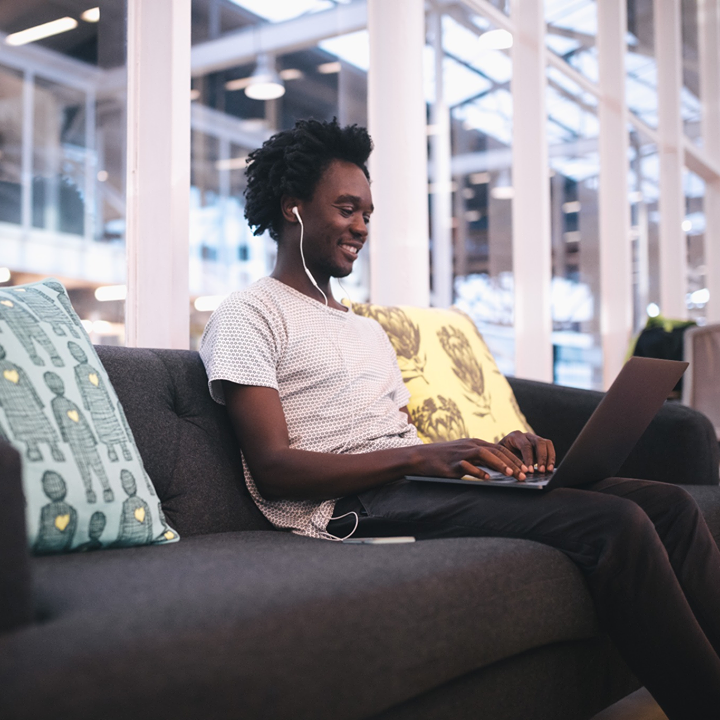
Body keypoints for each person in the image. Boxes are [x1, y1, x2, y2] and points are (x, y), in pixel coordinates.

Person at [199, 119, 720, 718]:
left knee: (671, 506)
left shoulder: (365, 329)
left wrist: (491, 450)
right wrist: (423, 456)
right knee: (617, 523)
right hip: (346, 509)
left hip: (405, 485)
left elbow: (394, 437)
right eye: (347, 209)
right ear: (292, 209)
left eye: (367, 213)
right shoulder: (248, 314)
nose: (362, 227)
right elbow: (273, 469)